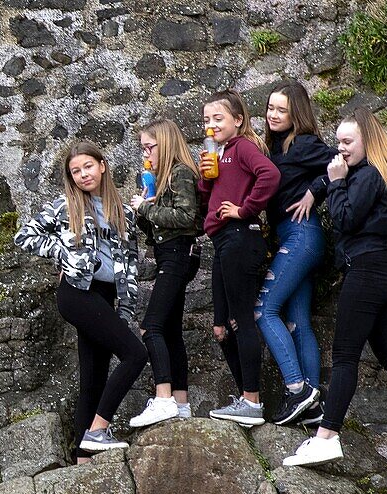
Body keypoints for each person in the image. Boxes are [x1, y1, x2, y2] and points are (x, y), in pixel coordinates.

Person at [284, 108, 387, 468]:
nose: (340, 149)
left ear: (367, 141)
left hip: (369, 270)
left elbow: (345, 218)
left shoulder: (364, 176)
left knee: (345, 355)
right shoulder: (377, 173)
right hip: (386, 269)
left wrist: (336, 183)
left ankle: (326, 437)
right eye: (339, 141)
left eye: (347, 142)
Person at [14, 140, 147, 460]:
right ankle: (98, 431)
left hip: (103, 296)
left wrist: (126, 309)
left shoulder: (123, 212)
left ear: (102, 166)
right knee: (135, 353)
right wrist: (65, 253)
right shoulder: (65, 206)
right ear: (70, 178)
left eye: (88, 166)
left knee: (94, 377)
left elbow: (128, 266)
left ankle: (82, 457)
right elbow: (25, 236)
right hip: (76, 293)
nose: (83, 174)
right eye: (76, 171)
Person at [199, 90, 280, 426]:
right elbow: (212, 198)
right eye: (206, 120)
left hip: (239, 238)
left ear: (238, 120)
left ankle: (252, 400)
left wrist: (246, 210)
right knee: (221, 327)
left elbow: (271, 175)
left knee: (240, 320)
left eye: (218, 118)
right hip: (221, 242)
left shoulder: (243, 147)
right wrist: (207, 179)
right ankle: (245, 397)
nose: (211, 125)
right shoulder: (220, 152)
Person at [258, 81, 336, 425]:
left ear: (296, 114)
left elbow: (342, 161)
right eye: (270, 108)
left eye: (281, 110)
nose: (273, 115)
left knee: (264, 310)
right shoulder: (273, 146)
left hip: (301, 236)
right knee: (297, 320)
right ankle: (314, 409)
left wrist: (314, 191)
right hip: (293, 237)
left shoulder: (303, 144)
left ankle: (297, 390)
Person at [128, 119, 203, 428]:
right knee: (170, 330)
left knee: (151, 328)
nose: (146, 154)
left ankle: (163, 399)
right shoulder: (158, 178)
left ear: (166, 144)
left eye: (150, 147)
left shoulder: (181, 173)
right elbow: (156, 229)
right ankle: (181, 403)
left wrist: (145, 209)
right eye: (143, 148)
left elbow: (187, 217)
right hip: (168, 254)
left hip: (178, 254)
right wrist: (144, 207)